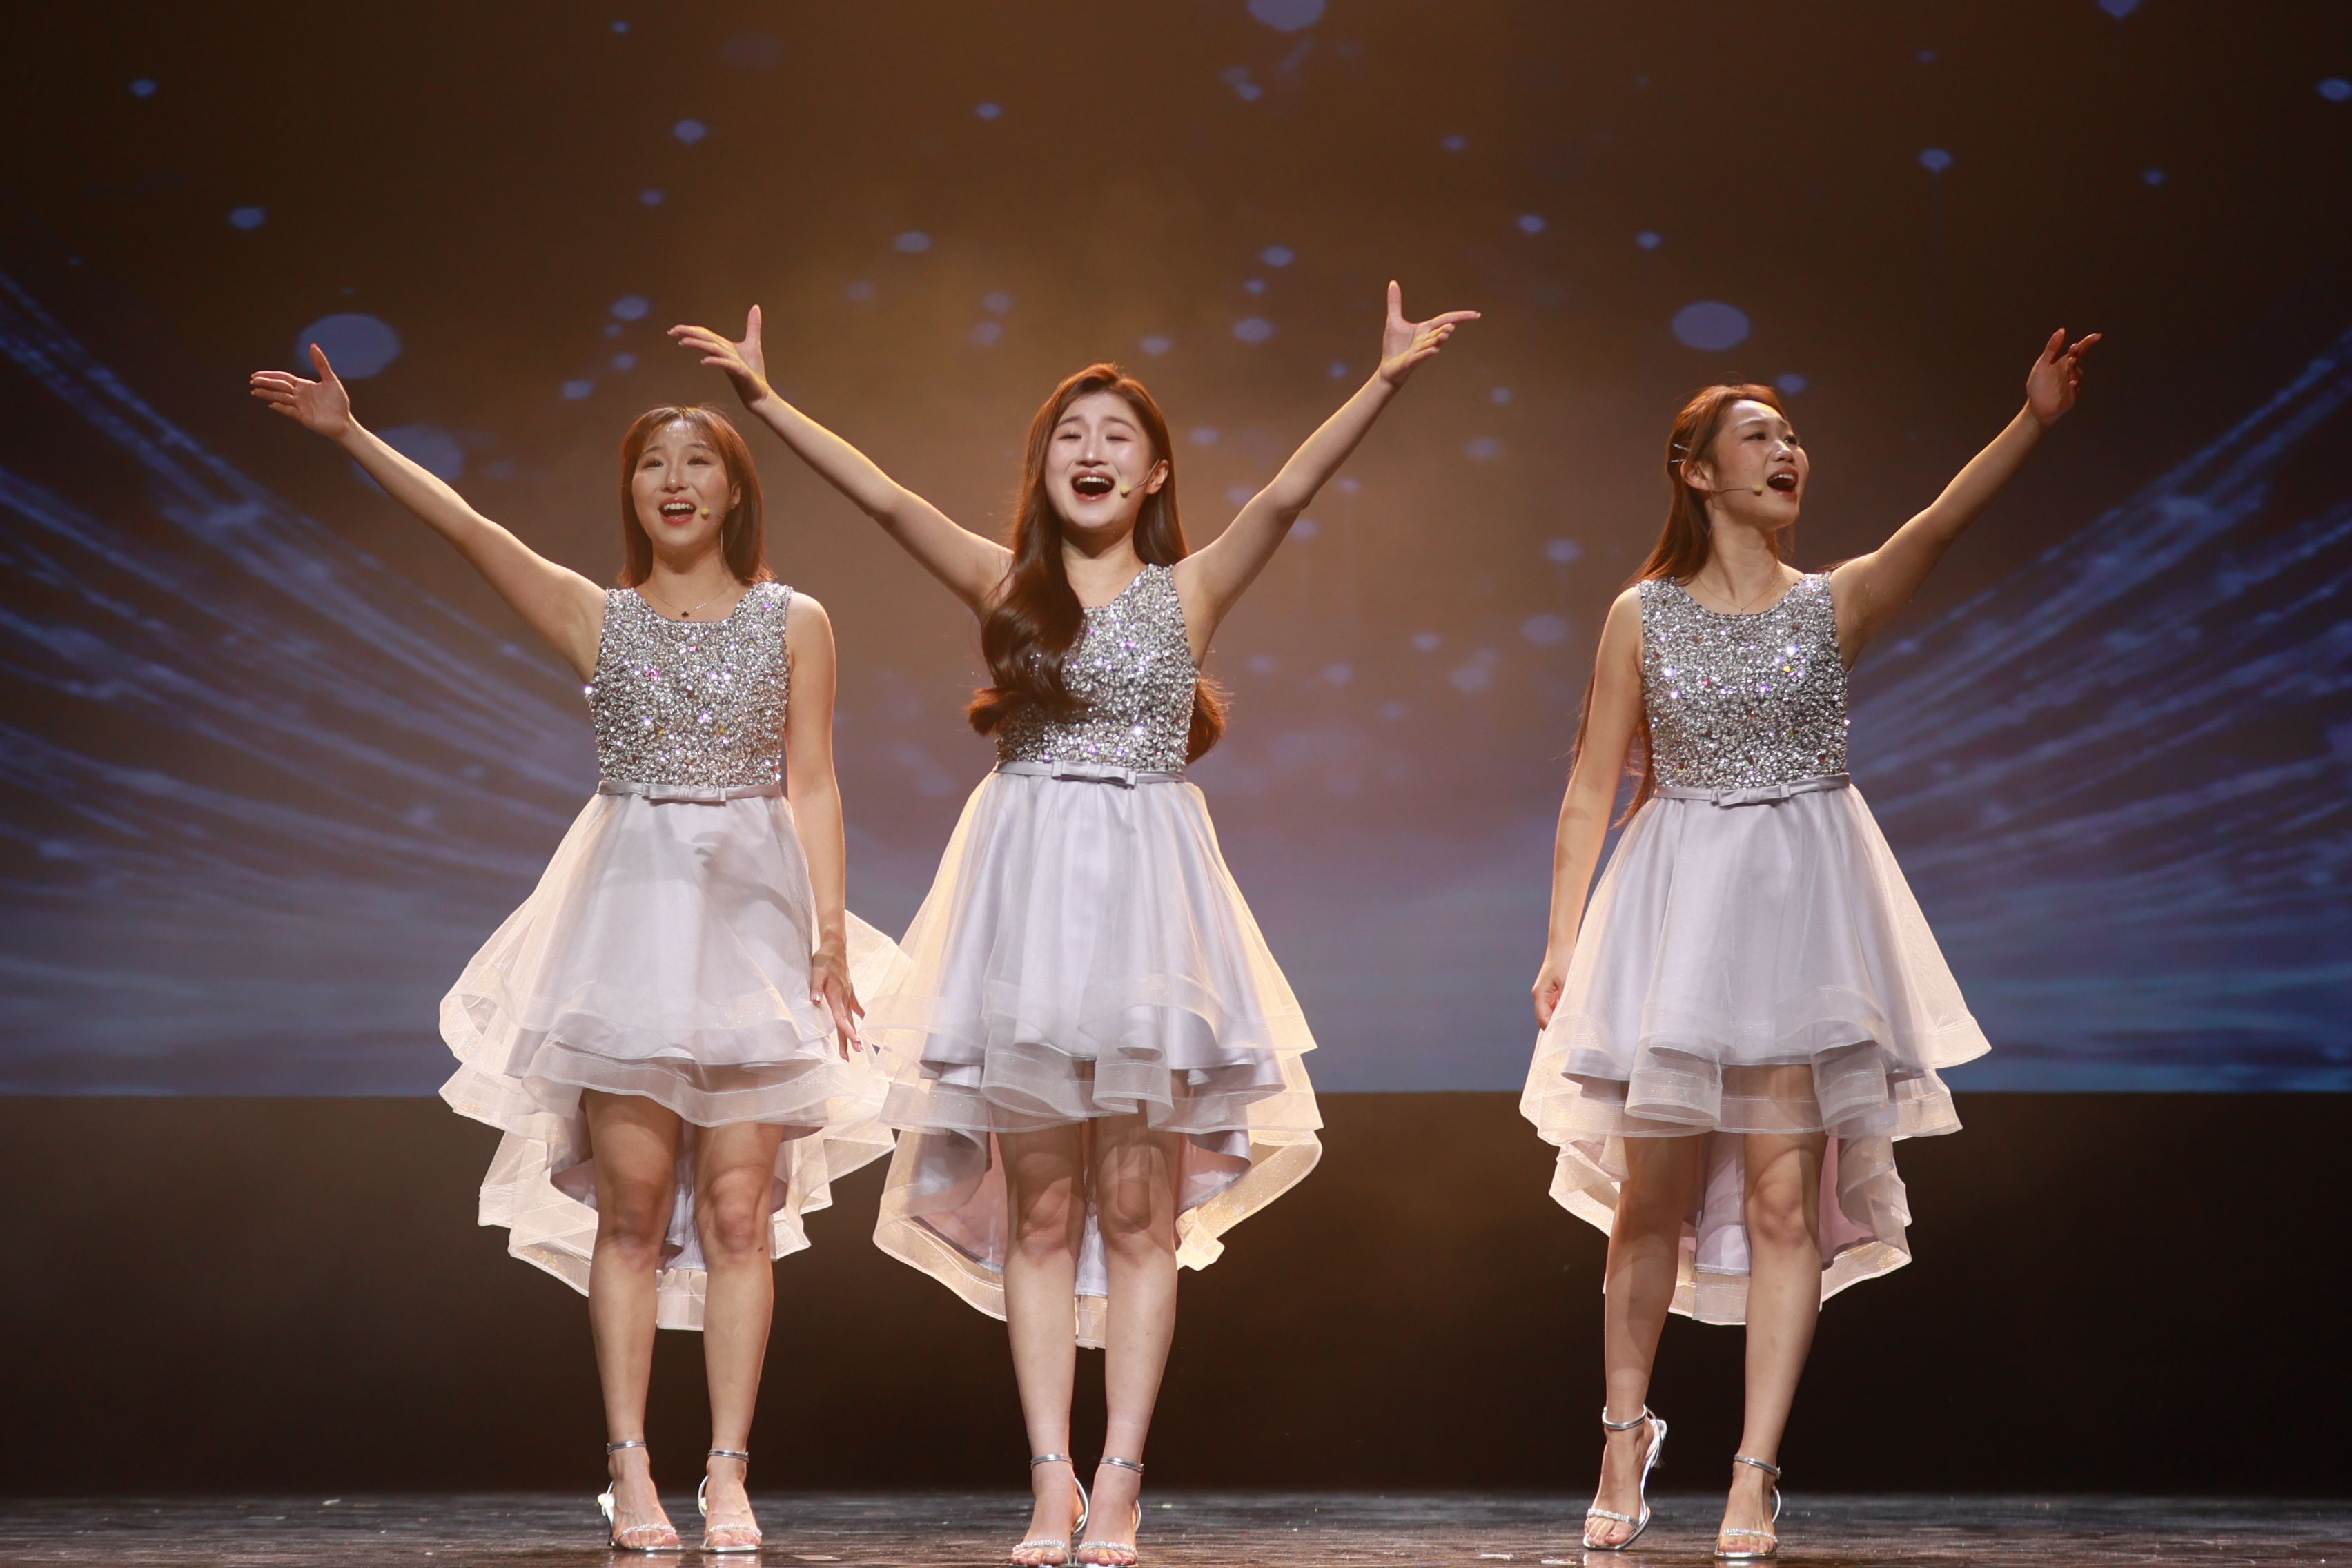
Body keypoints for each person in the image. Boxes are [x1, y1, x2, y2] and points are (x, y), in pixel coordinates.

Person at [672, 284, 1476, 1565]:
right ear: (1042, 466)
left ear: (1154, 473)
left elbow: (1287, 497)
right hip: (1026, 909)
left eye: (1116, 436)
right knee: (1041, 1214)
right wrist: (767, 403)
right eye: (1069, 434)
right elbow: (884, 501)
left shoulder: (1189, 589)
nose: (1090, 452)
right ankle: (1049, 1483)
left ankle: (1119, 1483)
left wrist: (1381, 381)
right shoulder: (1006, 585)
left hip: (1151, 911)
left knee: (1141, 1211)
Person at [249, 351, 900, 1554]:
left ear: (735, 490)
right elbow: (467, 528)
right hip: (629, 930)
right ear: (632, 492)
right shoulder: (600, 616)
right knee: (634, 1208)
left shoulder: (795, 620)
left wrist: (827, 937)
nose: (675, 480)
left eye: (698, 461)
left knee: (742, 1210)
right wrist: (351, 436)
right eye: (653, 463)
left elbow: (814, 782)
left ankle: (729, 1473)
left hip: (754, 933)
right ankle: (630, 1465)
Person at [1522, 331, 2099, 1559]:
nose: (1788, 451)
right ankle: (1624, 1436)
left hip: (1797, 927)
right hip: (1676, 916)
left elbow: (1938, 526)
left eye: (1792, 436)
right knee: (1651, 1198)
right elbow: (1588, 791)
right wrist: (1562, 945)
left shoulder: (1829, 604)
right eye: (1758, 436)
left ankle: (1753, 1473)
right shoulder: (1642, 614)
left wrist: (2033, 422)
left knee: (1788, 1200)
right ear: (1696, 471)